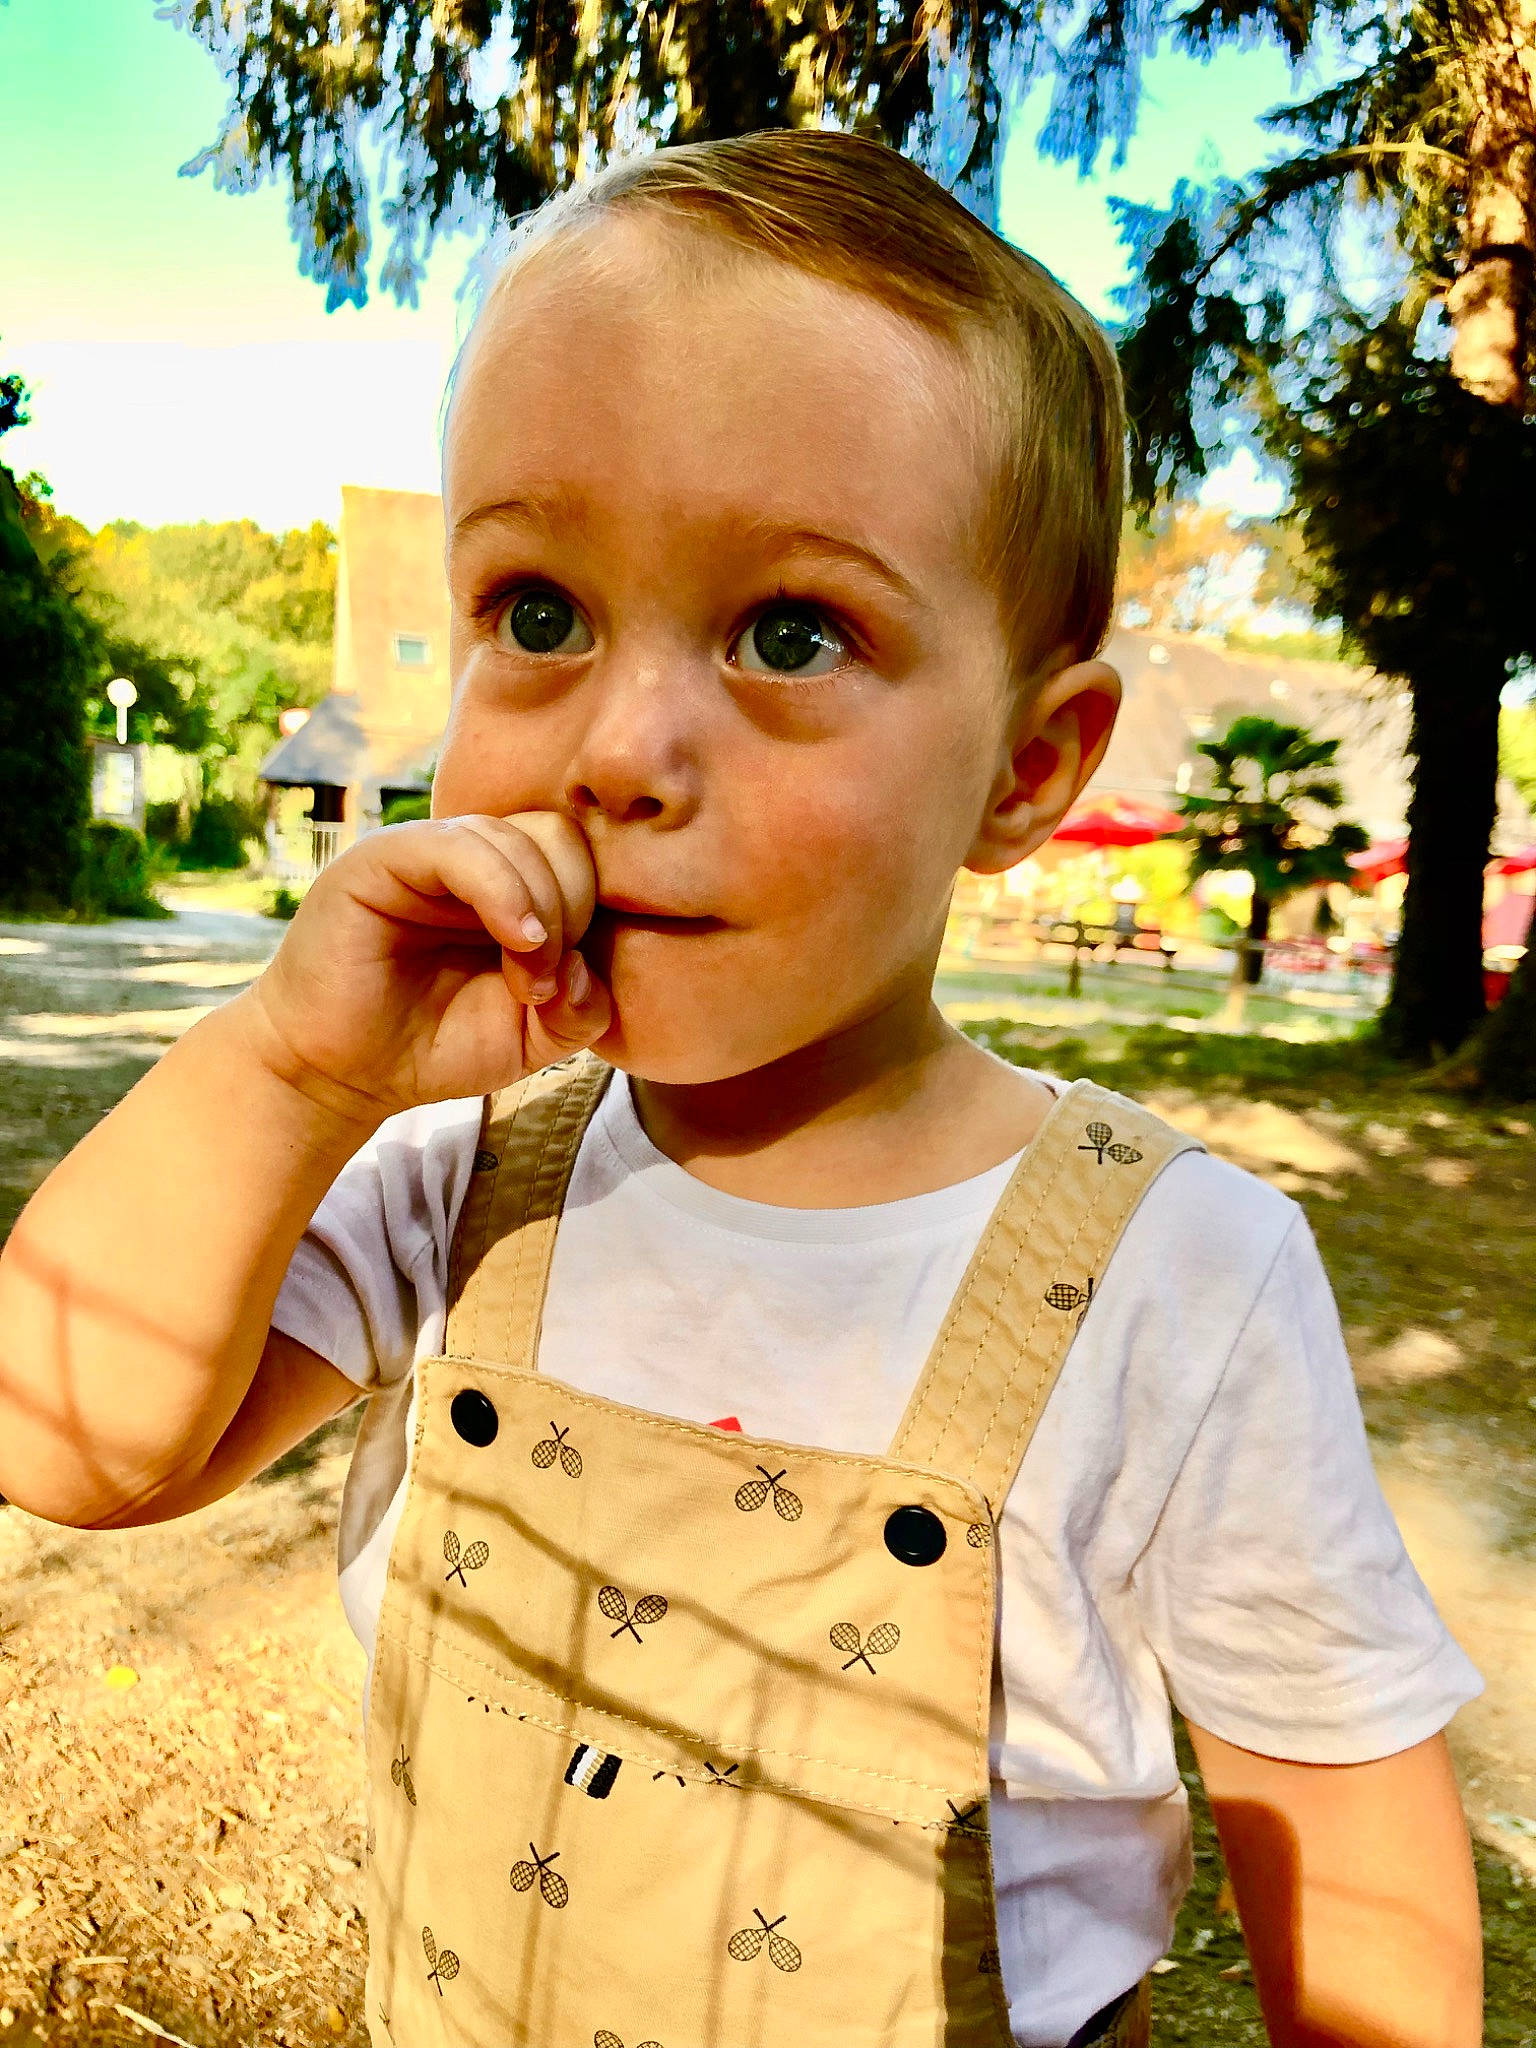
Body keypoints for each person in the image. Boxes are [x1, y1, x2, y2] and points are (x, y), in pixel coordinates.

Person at [0, 130, 1484, 2048]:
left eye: (793, 633)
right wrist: (291, 1069)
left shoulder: (1178, 1278)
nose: (619, 748)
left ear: (1033, 772)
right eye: (539, 612)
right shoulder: (462, 1177)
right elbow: (71, 1439)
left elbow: (1350, 1842)